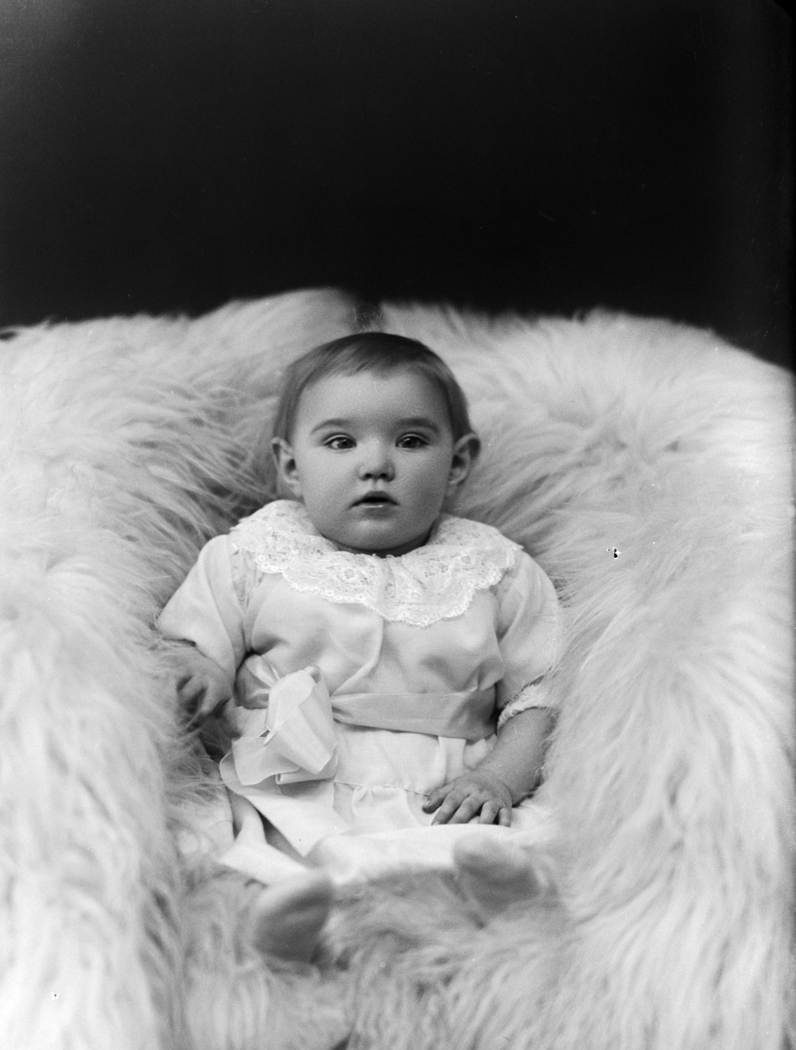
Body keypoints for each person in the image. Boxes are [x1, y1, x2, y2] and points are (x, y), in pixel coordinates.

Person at [158, 333, 562, 946]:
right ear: (291, 467)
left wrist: (499, 780)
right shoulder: (252, 555)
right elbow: (190, 643)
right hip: (295, 772)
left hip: (444, 783)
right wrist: (205, 669)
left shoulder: (496, 570)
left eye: (411, 441)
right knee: (257, 840)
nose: (376, 465)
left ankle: (498, 894)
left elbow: (539, 697)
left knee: (497, 835)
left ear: (457, 463)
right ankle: (291, 922)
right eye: (340, 442)